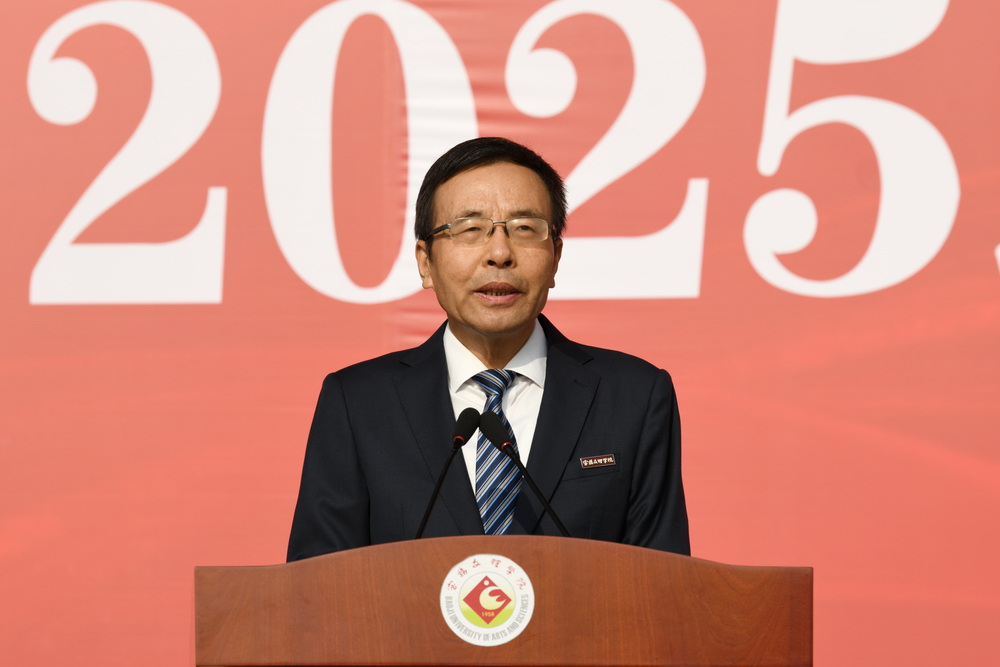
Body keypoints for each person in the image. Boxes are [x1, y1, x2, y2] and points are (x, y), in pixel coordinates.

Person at [287, 137, 689, 560]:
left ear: (555, 257)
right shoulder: (358, 404)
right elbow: (317, 586)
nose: (499, 253)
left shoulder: (634, 398)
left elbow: (665, 583)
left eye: (525, 228)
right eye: (470, 229)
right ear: (425, 262)